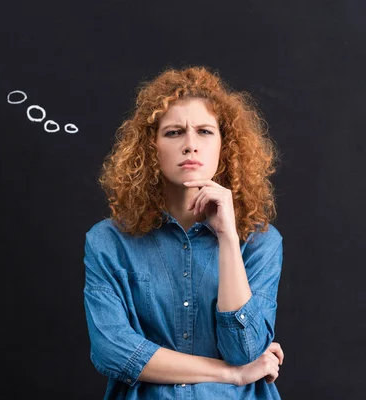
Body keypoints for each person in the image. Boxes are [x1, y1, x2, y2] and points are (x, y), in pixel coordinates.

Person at [83, 66, 285, 399]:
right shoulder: (108, 242)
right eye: (174, 132)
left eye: (205, 131)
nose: (190, 145)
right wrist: (233, 374)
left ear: (225, 145)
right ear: (151, 147)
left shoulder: (261, 241)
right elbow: (112, 350)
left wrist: (228, 238)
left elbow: (246, 351)